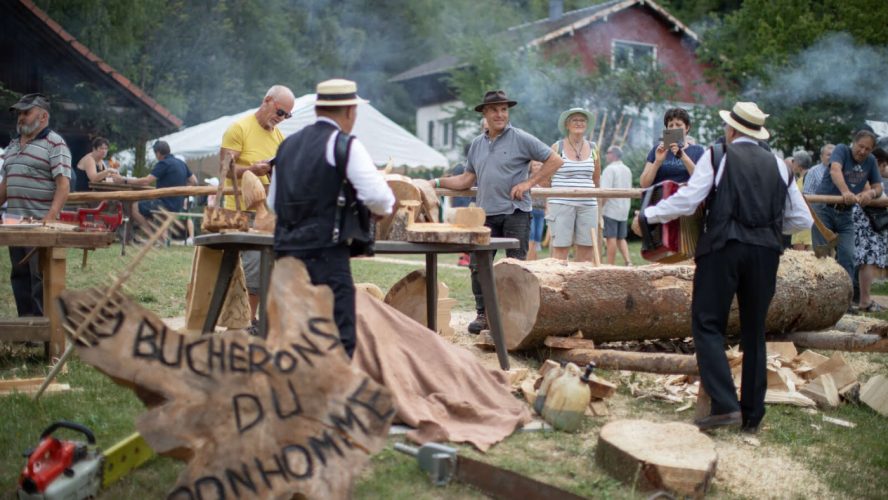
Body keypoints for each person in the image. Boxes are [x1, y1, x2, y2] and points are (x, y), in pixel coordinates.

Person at [633, 102, 812, 433]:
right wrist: (765, 226)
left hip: (723, 248)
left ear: (731, 130)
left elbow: (688, 199)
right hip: (766, 254)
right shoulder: (780, 166)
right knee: (754, 331)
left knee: (707, 324)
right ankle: (752, 416)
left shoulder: (717, 155)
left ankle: (726, 405)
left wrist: (649, 215)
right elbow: (801, 219)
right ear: (757, 134)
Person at [270, 79, 394, 358]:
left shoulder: (286, 147)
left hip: (286, 257)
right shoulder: (344, 145)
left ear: (318, 110)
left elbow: (272, 203)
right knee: (337, 339)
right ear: (350, 111)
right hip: (326, 255)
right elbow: (381, 198)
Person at [430, 90, 563, 334]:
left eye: (504, 109)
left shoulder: (521, 138)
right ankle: (483, 315)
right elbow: (466, 180)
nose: (500, 114)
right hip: (485, 214)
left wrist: (528, 184)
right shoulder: (477, 145)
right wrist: (436, 183)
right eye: (494, 109)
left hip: (516, 212)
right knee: (478, 266)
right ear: (485, 113)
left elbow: (555, 160)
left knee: (515, 267)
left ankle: (517, 317)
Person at [221, 85, 295, 329]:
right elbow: (224, 169)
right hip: (241, 212)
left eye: (287, 116)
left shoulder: (279, 137)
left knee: (269, 267)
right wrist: (251, 170)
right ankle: (248, 321)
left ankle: (257, 320)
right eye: (280, 111)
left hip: (268, 213)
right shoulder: (239, 128)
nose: (281, 118)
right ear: (267, 100)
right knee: (252, 268)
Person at [0, 93, 72, 316]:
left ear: (43, 116)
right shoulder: (12, 145)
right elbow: (6, 184)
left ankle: (44, 332)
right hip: (13, 222)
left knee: (39, 277)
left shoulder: (55, 143)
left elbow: (63, 186)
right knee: (19, 275)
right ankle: (26, 326)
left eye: (26, 112)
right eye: (19, 113)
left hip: (40, 222)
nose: (21, 117)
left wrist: (50, 218)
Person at [812, 130, 882, 285]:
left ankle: (846, 301)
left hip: (846, 214)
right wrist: (845, 192)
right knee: (820, 256)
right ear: (853, 143)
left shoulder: (870, 161)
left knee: (848, 256)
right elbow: (835, 170)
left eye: (867, 149)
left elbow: (878, 187)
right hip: (824, 210)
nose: (863, 151)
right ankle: (820, 301)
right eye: (860, 146)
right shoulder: (842, 149)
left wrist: (870, 193)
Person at [547, 107, 599, 262]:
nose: (579, 123)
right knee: (561, 249)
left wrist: (599, 207)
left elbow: (596, 180)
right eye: (575, 120)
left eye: (582, 120)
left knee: (587, 248)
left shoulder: (594, 147)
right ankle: (559, 284)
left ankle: (581, 285)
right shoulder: (557, 147)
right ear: (567, 125)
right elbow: (545, 177)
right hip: (561, 203)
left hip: (588, 204)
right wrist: (551, 200)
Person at [124, 141, 197, 234]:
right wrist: (181, 187)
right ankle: (161, 240)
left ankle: (151, 235)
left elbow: (146, 181)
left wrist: (125, 180)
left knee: (134, 206)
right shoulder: (181, 163)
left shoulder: (163, 164)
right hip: (178, 205)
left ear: (158, 153)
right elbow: (194, 181)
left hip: (165, 204)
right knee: (151, 207)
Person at [853, 147, 888, 312]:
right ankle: (865, 301)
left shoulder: (862, 170)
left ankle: (864, 300)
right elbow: (874, 198)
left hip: (865, 221)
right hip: (866, 221)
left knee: (866, 259)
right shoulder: (867, 175)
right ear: (880, 164)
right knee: (867, 260)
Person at [639, 107, 706, 188]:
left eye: (678, 125)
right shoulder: (657, 150)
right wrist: (657, 162)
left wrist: (683, 156)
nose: (674, 128)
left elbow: (701, 179)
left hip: (686, 199)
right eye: (670, 125)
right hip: (661, 199)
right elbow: (644, 184)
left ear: (687, 128)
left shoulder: (697, 151)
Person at [600, 145, 633, 265]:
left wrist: (600, 209)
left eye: (607, 152)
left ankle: (610, 265)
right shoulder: (627, 169)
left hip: (611, 209)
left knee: (611, 238)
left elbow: (605, 192)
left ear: (613, 154)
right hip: (624, 208)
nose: (606, 155)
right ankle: (628, 262)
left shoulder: (609, 169)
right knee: (621, 238)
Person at [786, 151, 813, 251]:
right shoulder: (808, 177)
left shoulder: (802, 181)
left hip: (802, 228)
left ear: (798, 164)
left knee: (800, 260)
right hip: (809, 226)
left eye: (794, 161)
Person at [527, 160, 546, 260]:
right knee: (532, 235)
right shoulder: (527, 179)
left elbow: (547, 196)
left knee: (538, 236)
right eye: (534, 165)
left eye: (539, 164)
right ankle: (529, 260)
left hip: (541, 211)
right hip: (531, 209)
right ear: (531, 166)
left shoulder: (545, 179)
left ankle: (535, 259)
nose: (537, 166)